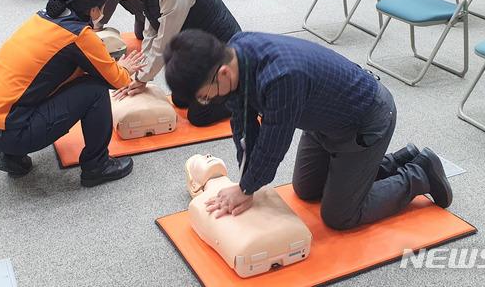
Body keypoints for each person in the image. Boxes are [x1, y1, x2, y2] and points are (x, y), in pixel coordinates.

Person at [162, 30, 454, 228]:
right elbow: (243, 124)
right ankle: (398, 159)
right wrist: (246, 182)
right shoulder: (234, 52)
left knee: (339, 216)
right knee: (306, 190)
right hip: (322, 120)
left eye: (205, 95)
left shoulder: (281, 77)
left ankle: (420, 173)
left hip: (365, 121)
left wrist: (246, 189)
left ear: (223, 72)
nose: (207, 101)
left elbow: (272, 147)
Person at [0, 0, 146, 185]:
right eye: (101, 7)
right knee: (95, 89)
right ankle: (97, 166)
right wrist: (124, 68)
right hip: (12, 133)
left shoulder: (41, 17)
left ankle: (12, 158)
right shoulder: (79, 35)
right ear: (94, 10)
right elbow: (116, 80)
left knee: (37, 82)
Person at [95, 0, 241, 127]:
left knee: (199, 116)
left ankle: (242, 96)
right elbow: (150, 33)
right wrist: (139, 75)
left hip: (224, 56)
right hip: (201, 51)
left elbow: (164, 43)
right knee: (180, 99)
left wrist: (141, 79)